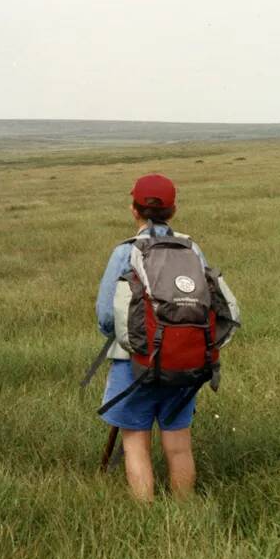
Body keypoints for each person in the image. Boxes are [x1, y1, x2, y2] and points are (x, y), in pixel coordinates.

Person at [94, 173, 233, 502]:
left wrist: (126, 340)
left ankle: (146, 518)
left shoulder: (124, 252)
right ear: (174, 210)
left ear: (133, 210)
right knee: (179, 445)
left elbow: (105, 314)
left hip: (134, 363)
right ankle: (183, 510)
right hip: (185, 360)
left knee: (135, 445)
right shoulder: (192, 248)